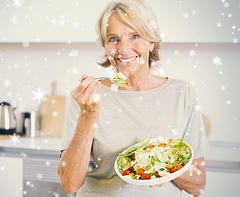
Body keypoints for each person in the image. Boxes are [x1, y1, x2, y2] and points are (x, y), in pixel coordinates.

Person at [57, 0, 210, 196]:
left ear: (151, 41)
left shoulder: (182, 94)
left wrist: (159, 165)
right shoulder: (87, 97)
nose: (123, 48)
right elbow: (69, 183)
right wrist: (88, 115)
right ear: (105, 45)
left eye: (135, 36)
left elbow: (198, 185)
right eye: (113, 39)